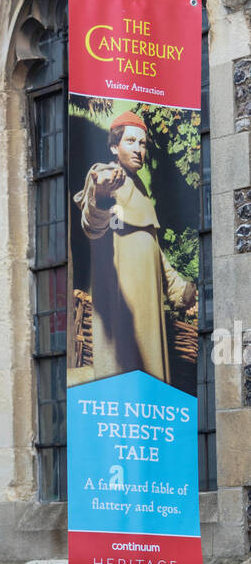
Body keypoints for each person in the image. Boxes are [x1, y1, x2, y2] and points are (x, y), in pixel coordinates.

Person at [73, 112, 197, 384]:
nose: (138, 149)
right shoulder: (106, 176)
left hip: (149, 301)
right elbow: (93, 226)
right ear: (113, 147)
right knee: (125, 379)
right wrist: (102, 195)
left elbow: (152, 247)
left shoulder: (140, 188)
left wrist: (181, 290)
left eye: (142, 143)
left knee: (153, 380)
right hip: (123, 303)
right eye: (130, 141)